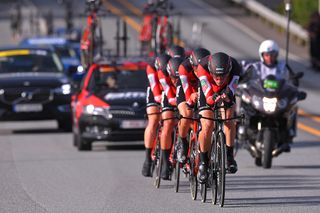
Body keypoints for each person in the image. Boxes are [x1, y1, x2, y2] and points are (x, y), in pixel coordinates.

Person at [241, 39, 305, 152]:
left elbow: (292, 81)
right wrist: (242, 87)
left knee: (291, 108)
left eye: (272, 55)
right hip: (260, 98)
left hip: (277, 99)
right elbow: (245, 79)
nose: (269, 57)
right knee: (245, 106)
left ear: (276, 55)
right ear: (262, 55)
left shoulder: (283, 67)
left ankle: (288, 134)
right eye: (266, 55)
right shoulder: (256, 67)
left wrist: (295, 86)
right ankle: (244, 131)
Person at [197, 52, 241, 183]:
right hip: (208, 90)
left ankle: (229, 156)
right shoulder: (202, 66)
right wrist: (213, 97)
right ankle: (203, 163)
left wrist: (227, 96)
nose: (219, 79)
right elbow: (207, 94)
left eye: (223, 75)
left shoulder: (235, 67)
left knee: (229, 118)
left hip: (226, 90)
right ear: (211, 71)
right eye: (216, 75)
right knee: (207, 125)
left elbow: (232, 88)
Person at [176, 47, 211, 163]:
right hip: (187, 89)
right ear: (192, 65)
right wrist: (190, 98)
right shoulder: (184, 68)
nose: (198, 70)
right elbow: (186, 89)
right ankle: (183, 141)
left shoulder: (210, 67)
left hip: (203, 88)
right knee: (187, 113)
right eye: (196, 68)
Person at [156, 54, 176, 180]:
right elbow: (168, 94)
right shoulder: (162, 73)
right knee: (168, 123)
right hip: (168, 95)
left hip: (181, 94)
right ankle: (164, 161)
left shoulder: (183, 69)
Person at [141, 57, 163, 177]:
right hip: (155, 92)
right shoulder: (152, 66)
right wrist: (158, 98)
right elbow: (154, 84)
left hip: (171, 90)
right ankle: (148, 159)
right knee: (154, 120)